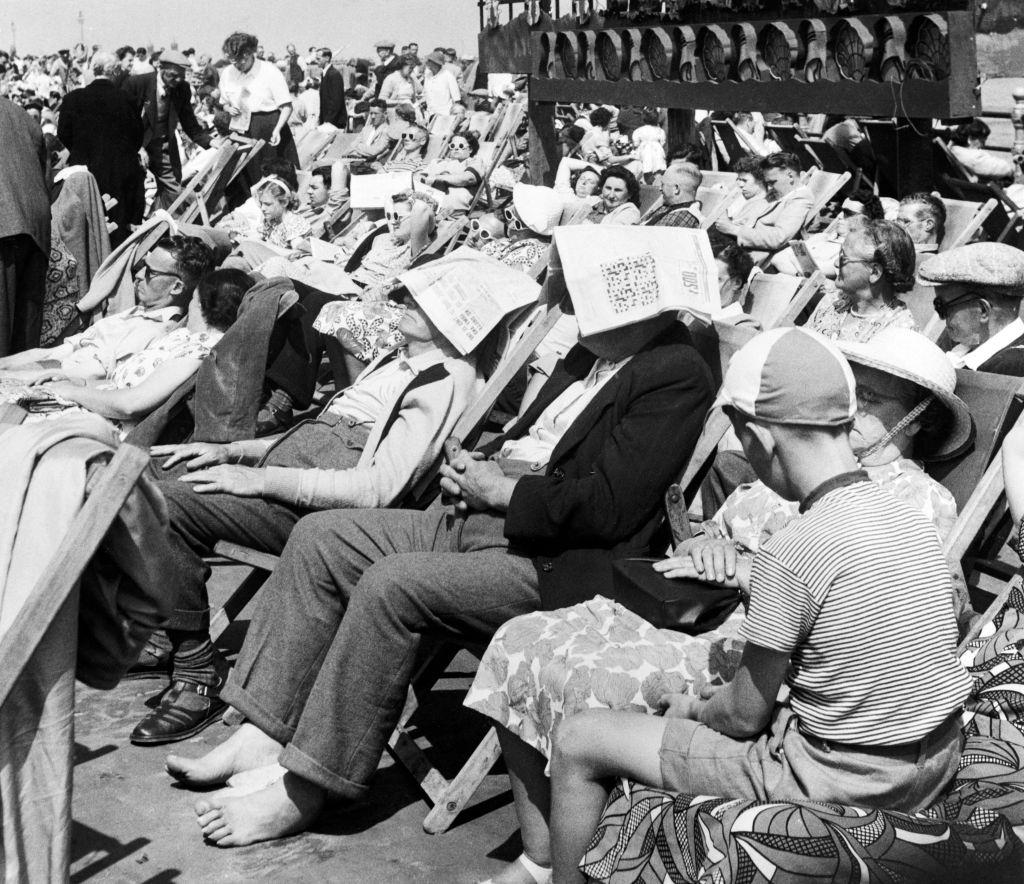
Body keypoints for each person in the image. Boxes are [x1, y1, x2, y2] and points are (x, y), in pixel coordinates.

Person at [161, 260, 715, 848]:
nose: (569, 309)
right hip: (476, 514)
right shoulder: (588, 355)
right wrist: (478, 467)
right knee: (321, 538)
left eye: (582, 295)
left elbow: (612, 508)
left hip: (551, 558)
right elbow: (534, 439)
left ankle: (307, 786)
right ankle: (265, 730)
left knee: (391, 585)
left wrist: (502, 490)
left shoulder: (674, 373)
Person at [466, 325, 972, 884]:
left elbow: (742, 715)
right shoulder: (905, 517)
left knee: (582, 737)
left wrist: (694, 709)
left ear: (757, 437)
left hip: (834, 781)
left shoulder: (796, 546)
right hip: (928, 762)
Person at [124, 270, 494, 743]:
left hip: (313, 509)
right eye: (405, 293)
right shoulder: (396, 359)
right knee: (132, 476)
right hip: (285, 469)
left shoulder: (444, 380)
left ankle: (198, 670)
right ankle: (164, 630)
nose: (402, 300)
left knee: (161, 504)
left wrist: (261, 479)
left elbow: (377, 488)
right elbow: (324, 429)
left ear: (452, 319)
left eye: (418, 300)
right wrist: (234, 450)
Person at [34, 268, 248, 430]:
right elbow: (120, 384)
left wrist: (73, 392)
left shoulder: (201, 351)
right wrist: (77, 382)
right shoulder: (184, 336)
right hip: (94, 407)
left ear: (201, 305)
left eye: (192, 300)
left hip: (108, 427)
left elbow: (131, 404)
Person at [0, 235, 211, 382]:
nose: (138, 275)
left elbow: (93, 373)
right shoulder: (138, 313)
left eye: (150, 273)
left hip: (61, 380)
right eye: (142, 267)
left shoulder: (156, 331)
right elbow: (55, 352)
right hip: (53, 367)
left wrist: (14, 376)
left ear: (176, 286)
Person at [57, 52, 144, 248]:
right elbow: (137, 137)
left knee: (87, 231)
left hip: (85, 173)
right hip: (120, 175)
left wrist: (81, 149)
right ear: (115, 71)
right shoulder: (127, 99)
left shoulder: (73, 99)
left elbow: (63, 133)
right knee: (118, 232)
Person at [122, 49, 211, 210]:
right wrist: (138, 147)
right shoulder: (136, 84)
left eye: (181, 76)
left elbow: (189, 122)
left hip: (163, 146)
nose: (177, 80)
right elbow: (123, 122)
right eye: (173, 75)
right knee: (133, 190)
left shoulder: (182, 88)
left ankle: (165, 224)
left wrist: (210, 142)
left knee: (172, 189)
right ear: (160, 67)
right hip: (135, 145)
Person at [919, 241, 1024, 374]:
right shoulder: (967, 347)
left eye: (944, 307)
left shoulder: (1012, 369)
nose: (943, 318)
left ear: (983, 310)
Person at [807, 220, 917, 342]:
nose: (836, 263)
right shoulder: (833, 301)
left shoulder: (897, 332)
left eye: (844, 258)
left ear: (874, 272)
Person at [0, 96, 50, 357]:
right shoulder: (21, 114)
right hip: (35, 227)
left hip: (5, 224)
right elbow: (45, 174)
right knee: (24, 342)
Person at [217, 32, 300, 186]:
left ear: (250, 53)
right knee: (243, 177)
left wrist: (277, 129)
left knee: (271, 177)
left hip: (268, 128)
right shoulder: (228, 73)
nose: (238, 65)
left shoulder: (269, 71)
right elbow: (224, 103)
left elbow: (286, 107)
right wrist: (228, 109)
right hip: (240, 129)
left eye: (242, 60)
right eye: (234, 61)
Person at [714, 152, 813, 256]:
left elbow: (778, 237)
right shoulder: (779, 193)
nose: (769, 186)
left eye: (772, 182)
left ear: (790, 176)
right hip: (741, 244)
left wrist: (733, 229)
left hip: (754, 253)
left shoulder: (800, 199)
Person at [418, 131, 482, 215]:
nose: (455, 148)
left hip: (448, 213)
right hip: (425, 204)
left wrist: (438, 177)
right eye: (452, 146)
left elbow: (468, 178)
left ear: (470, 149)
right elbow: (420, 179)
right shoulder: (438, 162)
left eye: (461, 146)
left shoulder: (474, 162)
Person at [644, 162, 702, 228]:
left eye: (663, 185)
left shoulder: (679, 218)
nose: (660, 188)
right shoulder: (669, 207)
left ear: (676, 189)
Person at [631, 109, 667, 183]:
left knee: (645, 167)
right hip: (657, 151)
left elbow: (636, 143)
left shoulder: (639, 130)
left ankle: (646, 182)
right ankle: (656, 182)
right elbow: (663, 142)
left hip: (644, 151)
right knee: (658, 168)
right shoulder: (660, 131)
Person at [422, 50, 459, 118]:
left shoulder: (448, 76)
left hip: (444, 115)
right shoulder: (428, 76)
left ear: (435, 63)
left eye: (429, 61)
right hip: (430, 114)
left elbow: (456, 99)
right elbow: (425, 94)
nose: (427, 63)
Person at [317, 47, 347, 131]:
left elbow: (336, 101)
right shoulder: (325, 74)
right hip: (327, 122)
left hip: (334, 122)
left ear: (327, 58)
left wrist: (328, 121)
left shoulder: (334, 74)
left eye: (318, 58)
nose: (317, 61)